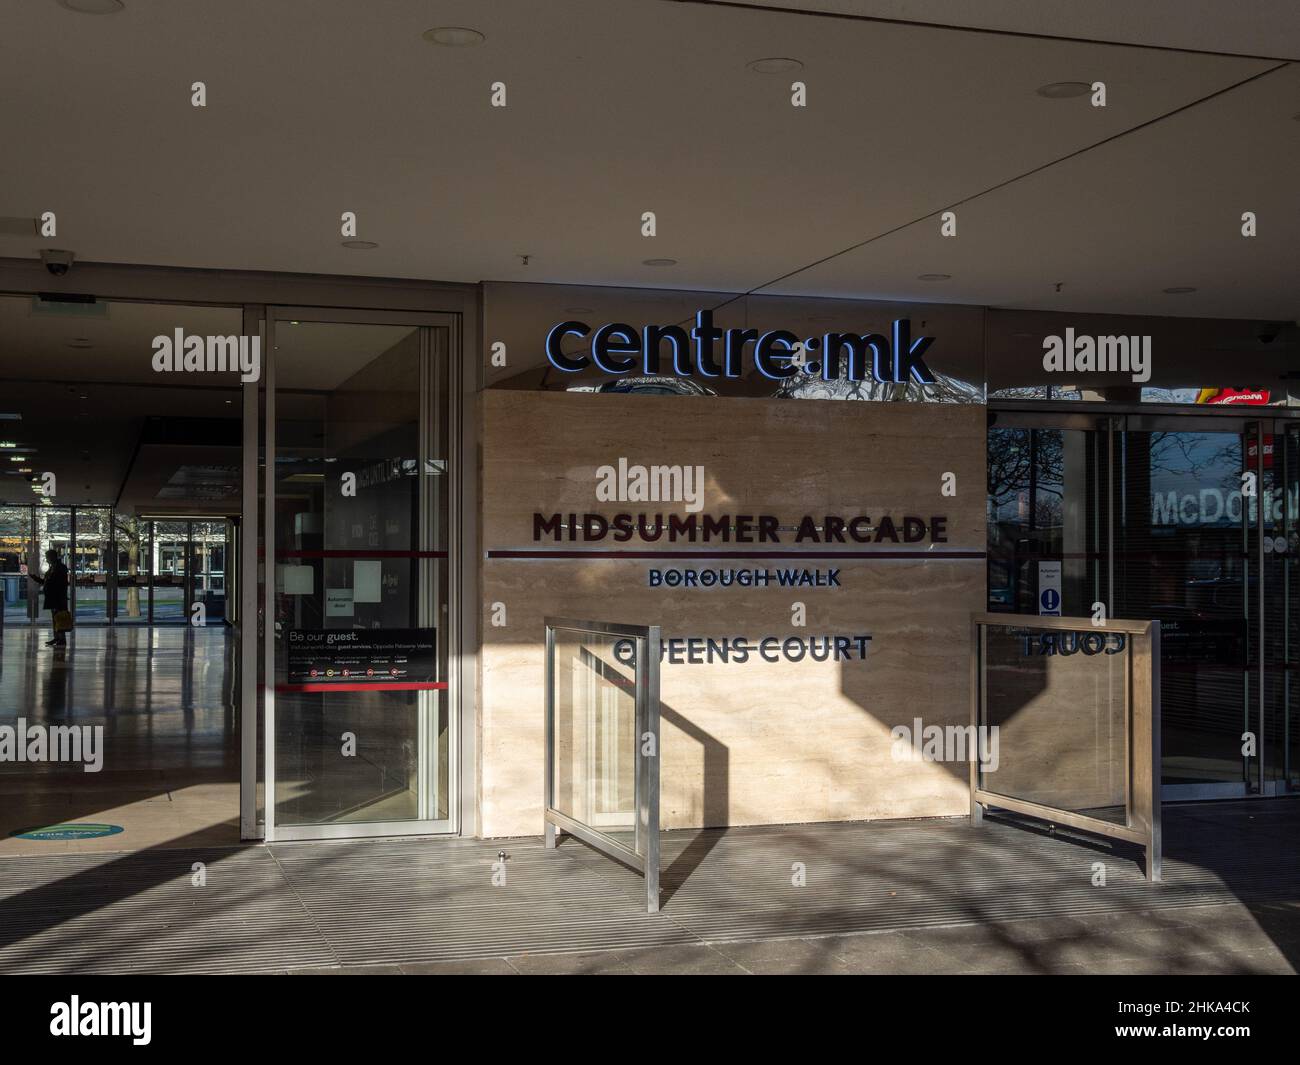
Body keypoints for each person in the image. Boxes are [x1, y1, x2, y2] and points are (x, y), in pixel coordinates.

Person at [31, 548, 69, 647]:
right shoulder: (53, 567)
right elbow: (46, 582)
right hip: (53, 596)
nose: (47, 559)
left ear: (52, 557)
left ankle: (61, 638)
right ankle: (57, 637)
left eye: (47, 557)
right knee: (56, 617)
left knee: (59, 617)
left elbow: (56, 582)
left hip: (58, 597)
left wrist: (46, 582)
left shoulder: (59, 568)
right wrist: (36, 578)